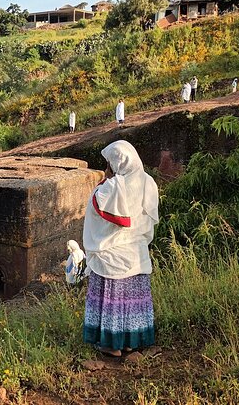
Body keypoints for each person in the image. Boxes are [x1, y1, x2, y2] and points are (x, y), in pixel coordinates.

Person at [82, 140, 159, 357]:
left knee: (112, 301)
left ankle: (110, 344)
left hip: (111, 255)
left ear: (117, 164)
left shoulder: (109, 189)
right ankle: (129, 343)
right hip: (136, 255)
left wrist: (106, 182)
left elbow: (96, 213)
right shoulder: (148, 183)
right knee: (130, 300)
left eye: (109, 164)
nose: (107, 169)